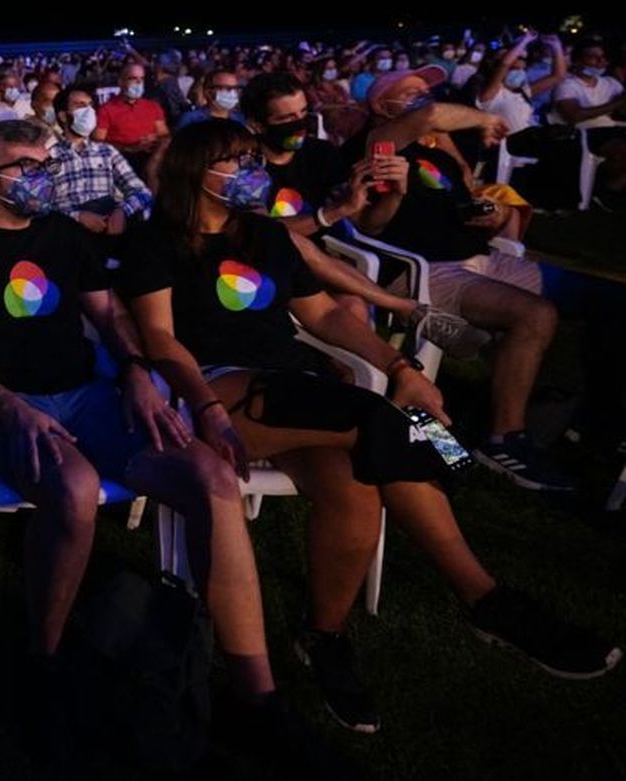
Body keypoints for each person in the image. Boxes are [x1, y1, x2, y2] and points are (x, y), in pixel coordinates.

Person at [119, 119, 620, 734]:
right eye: (238, 160)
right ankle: (484, 594)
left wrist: (397, 363)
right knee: (377, 417)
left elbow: (323, 313)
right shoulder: (157, 243)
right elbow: (161, 338)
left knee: (355, 479)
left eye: (255, 158)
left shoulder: (266, 235)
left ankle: (323, 637)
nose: (255, 170)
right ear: (198, 170)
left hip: (289, 382)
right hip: (214, 385)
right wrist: (207, 404)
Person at [0, 119, 315, 756]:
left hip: (87, 394)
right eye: (30, 167)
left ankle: (255, 690)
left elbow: (109, 315)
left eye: (47, 163)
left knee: (210, 478)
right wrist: (6, 404)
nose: (45, 177)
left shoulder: (66, 235)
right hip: (5, 405)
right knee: (73, 488)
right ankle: (42, 657)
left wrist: (134, 370)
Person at [355, 68, 590, 489]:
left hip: (479, 256)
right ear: (381, 106)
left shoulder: (440, 150)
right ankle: (503, 442)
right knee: (535, 315)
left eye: (425, 90)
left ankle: (589, 420)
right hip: (426, 269)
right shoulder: (378, 144)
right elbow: (427, 117)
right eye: (409, 92)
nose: (422, 96)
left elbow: (466, 195)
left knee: (604, 298)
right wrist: (482, 118)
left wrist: (491, 215)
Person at [242, 73, 487, 356]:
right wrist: (331, 214)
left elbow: (369, 225)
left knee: (354, 308)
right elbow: (263, 230)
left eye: (303, 113)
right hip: (266, 269)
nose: (299, 124)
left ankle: (372, 382)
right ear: (257, 125)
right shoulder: (245, 165)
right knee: (287, 239)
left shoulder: (320, 154)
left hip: (323, 269)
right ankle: (407, 313)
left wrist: (397, 191)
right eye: (286, 120)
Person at [48, 84, 152, 238]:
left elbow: (142, 192)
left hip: (108, 226)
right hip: (68, 232)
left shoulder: (106, 152)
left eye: (90, 105)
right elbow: (40, 204)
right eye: (80, 106)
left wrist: (122, 211)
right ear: (63, 116)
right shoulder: (49, 156)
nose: (89, 111)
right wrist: (78, 216)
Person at [551, 42, 626, 204]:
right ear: (577, 61)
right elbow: (574, 115)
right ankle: (608, 190)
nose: (600, 61)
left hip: (611, 128)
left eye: (603, 57)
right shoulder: (567, 85)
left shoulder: (611, 83)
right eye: (593, 57)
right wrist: (616, 103)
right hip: (584, 133)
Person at [93, 61, 168, 162]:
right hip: (122, 159)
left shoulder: (153, 106)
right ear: (121, 82)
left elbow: (164, 134)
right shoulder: (106, 109)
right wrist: (130, 148)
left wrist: (155, 139)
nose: (139, 82)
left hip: (152, 158)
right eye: (133, 78)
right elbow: (98, 142)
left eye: (142, 79)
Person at [175, 67, 247, 129]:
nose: (233, 93)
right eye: (227, 88)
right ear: (208, 92)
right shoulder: (191, 120)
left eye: (236, 88)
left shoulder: (239, 119)